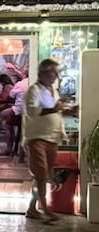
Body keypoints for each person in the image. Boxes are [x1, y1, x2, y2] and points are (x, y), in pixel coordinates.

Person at [24, 58, 77, 223]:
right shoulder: (33, 90)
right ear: (44, 73)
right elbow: (33, 111)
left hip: (52, 137)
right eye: (54, 73)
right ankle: (44, 208)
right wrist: (55, 109)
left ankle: (32, 208)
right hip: (37, 138)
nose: (56, 77)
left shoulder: (52, 91)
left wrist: (69, 111)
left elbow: (55, 111)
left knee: (44, 175)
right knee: (40, 175)